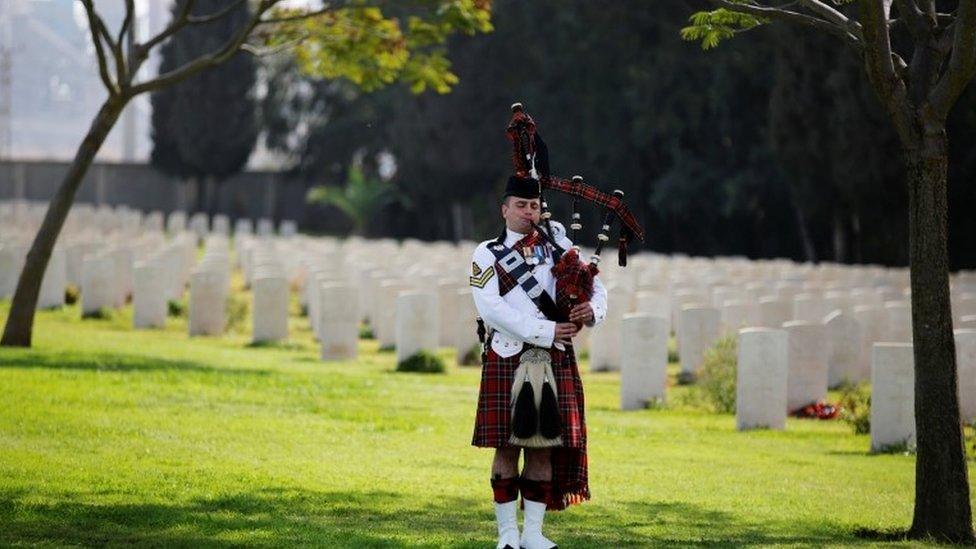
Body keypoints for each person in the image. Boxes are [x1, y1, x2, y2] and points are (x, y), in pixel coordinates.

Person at [469, 174, 608, 549]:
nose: (528, 212)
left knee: (543, 446)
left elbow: (597, 287)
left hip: (553, 359)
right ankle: (507, 535)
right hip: (509, 354)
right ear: (505, 209)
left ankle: (532, 533)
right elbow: (491, 309)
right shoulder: (486, 253)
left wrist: (590, 310)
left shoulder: (558, 245)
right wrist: (546, 331)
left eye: (533, 206)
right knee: (507, 447)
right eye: (520, 205)